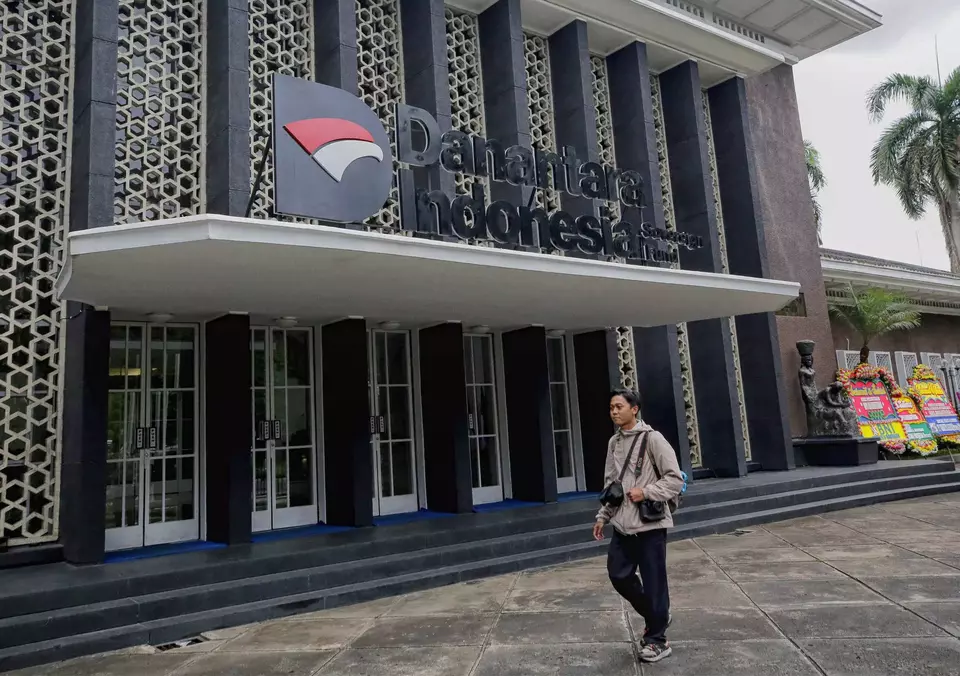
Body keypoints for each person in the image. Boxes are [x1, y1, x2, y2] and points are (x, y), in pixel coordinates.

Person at [593, 388, 684, 663]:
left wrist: (645, 492)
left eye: (619, 406)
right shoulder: (613, 443)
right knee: (618, 574)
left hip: (649, 525)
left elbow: (674, 479)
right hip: (622, 525)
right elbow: (612, 487)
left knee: (655, 583)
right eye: (611, 407)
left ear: (635, 409)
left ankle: (657, 640)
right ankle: (657, 615)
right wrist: (602, 516)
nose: (614, 411)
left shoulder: (653, 439)